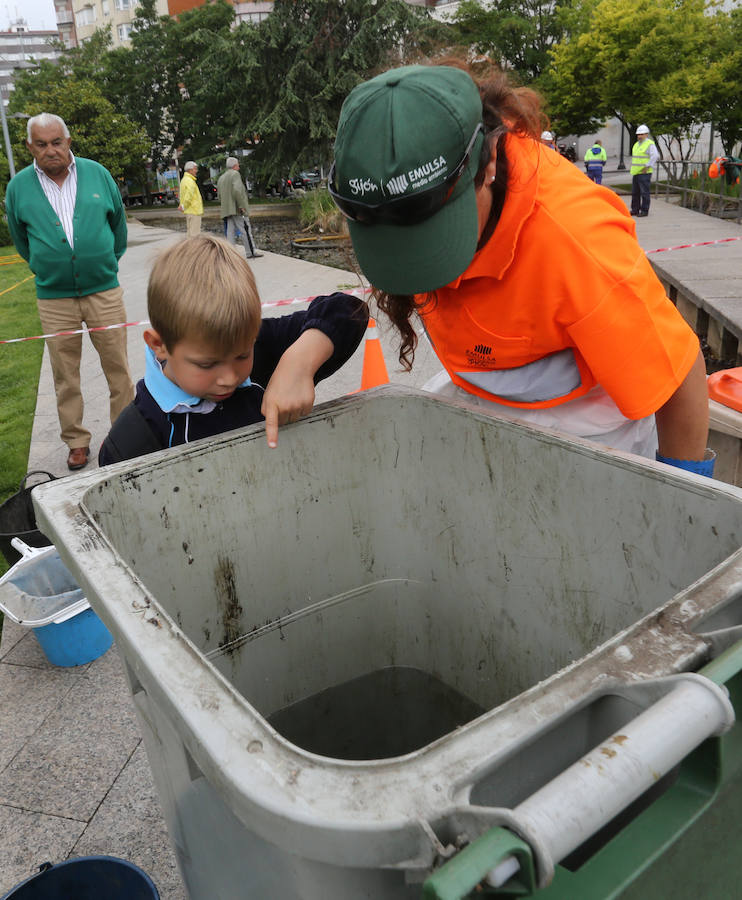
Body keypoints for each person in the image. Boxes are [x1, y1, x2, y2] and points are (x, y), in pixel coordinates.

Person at [329, 63, 714, 477]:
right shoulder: (399, 181)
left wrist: (687, 505)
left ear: (488, 162)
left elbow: (679, 379)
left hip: (592, 438)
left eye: (433, 233)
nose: (422, 273)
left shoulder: (578, 245)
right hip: (482, 398)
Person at [98, 235, 368, 463]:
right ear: (159, 345)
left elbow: (349, 310)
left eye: (242, 355)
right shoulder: (134, 439)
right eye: (206, 364)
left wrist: (298, 365)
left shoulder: (261, 348)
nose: (229, 378)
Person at [6, 112, 134, 471]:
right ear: (29, 147)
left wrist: (106, 262)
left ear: (68, 141)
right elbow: (22, 240)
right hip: (54, 298)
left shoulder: (98, 174)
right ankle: (76, 442)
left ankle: (124, 433)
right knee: (65, 374)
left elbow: (118, 227)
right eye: (42, 144)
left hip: (103, 292)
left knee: (118, 369)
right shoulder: (18, 188)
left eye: (56, 142)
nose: (50, 150)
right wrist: (48, 267)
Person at [217, 157, 263, 259]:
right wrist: (241, 206)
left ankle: (230, 254)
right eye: (238, 164)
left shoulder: (221, 177)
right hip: (237, 209)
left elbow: (219, 195)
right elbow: (237, 190)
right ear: (234, 166)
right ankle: (250, 252)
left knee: (230, 232)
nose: (239, 166)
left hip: (227, 210)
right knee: (245, 230)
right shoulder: (235, 174)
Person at [630, 124, 660, 217]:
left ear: (646, 134)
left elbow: (655, 156)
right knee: (635, 193)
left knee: (644, 192)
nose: (639, 136)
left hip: (644, 172)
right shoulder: (636, 145)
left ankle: (644, 210)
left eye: (642, 134)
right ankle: (635, 209)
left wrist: (647, 166)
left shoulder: (649, 144)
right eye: (638, 134)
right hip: (636, 172)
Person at [178, 161, 203, 236]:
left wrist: (183, 206)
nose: (196, 171)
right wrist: (183, 206)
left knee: (190, 234)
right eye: (195, 169)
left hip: (189, 211)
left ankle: (189, 247)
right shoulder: (190, 181)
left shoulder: (184, 180)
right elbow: (188, 196)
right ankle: (194, 248)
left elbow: (183, 195)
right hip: (194, 211)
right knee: (195, 236)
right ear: (190, 170)